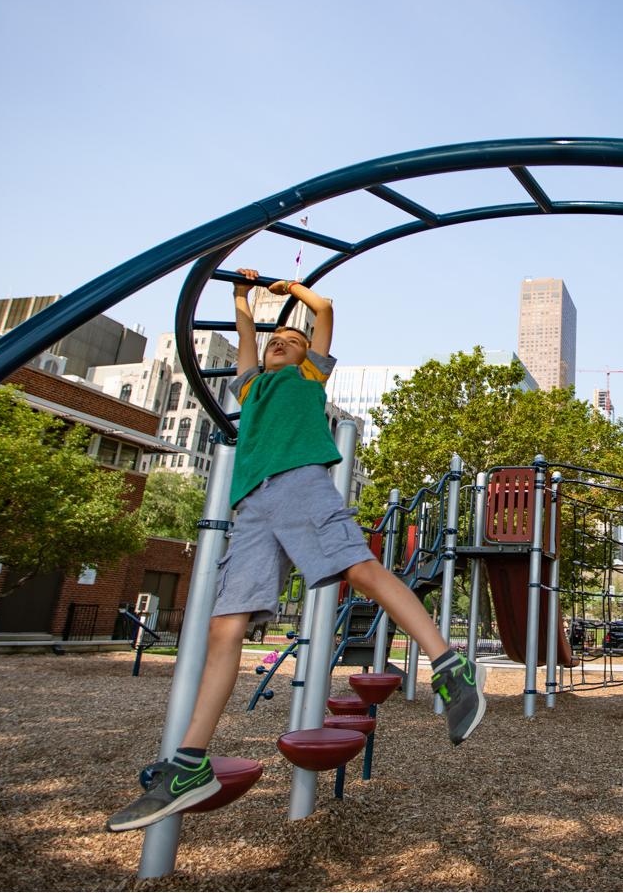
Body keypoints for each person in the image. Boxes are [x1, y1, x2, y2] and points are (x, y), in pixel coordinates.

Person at [106, 268, 487, 833]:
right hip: (253, 506)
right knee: (224, 629)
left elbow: (325, 310)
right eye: (275, 341)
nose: (280, 343)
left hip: (300, 484)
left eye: (291, 340)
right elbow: (245, 340)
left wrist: (289, 292)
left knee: (359, 570)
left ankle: (450, 666)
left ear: (310, 356)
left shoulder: (308, 376)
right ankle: (189, 765)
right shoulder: (252, 385)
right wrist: (241, 297)